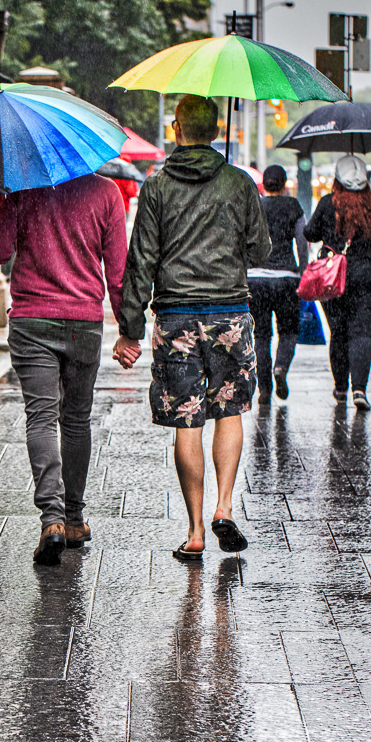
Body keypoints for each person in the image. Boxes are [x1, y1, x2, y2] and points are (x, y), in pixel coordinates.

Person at [112, 94, 271, 561]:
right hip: (229, 314)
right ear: (217, 129)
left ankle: (197, 529)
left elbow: (140, 259)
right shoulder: (240, 184)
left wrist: (130, 328)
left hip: (176, 316)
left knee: (187, 420)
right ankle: (225, 505)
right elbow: (260, 251)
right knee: (229, 411)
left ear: (177, 128)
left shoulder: (157, 187)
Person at [0, 172, 127, 566]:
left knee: (41, 419)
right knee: (77, 420)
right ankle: (75, 517)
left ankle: (52, 521)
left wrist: (4, 197)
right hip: (83, 322)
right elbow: (117, 272)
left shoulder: (19, 186)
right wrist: (130, 329)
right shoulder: (105, 192)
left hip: (32, 320)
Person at [304, 154, 371, 411]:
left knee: (338, 333)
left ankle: (340, 387)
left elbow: (311, 232)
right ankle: (359, 389)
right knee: (362, 332)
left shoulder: (328, 203)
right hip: (369, 276)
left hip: (333, 277)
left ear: (337, 179)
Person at [247, 164, 307, 403]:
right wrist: (302, 272)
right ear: (284, 184)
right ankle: (281, 367)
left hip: (256, 279)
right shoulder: (293, 206)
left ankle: (264, 390)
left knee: (261, 335)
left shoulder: (256, 207)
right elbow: (302, 241)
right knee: (289, 331)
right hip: (286, 278)